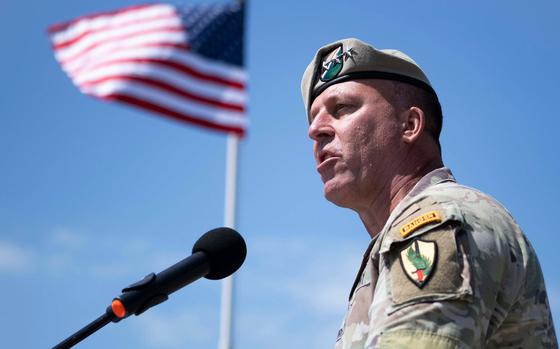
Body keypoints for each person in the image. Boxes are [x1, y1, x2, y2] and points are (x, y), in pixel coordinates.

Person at [300, 38, 558, 349]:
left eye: (342, 108)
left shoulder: (438, 222)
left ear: (409, 124)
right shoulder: (395, 240)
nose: (316, 130)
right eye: (313, 118)